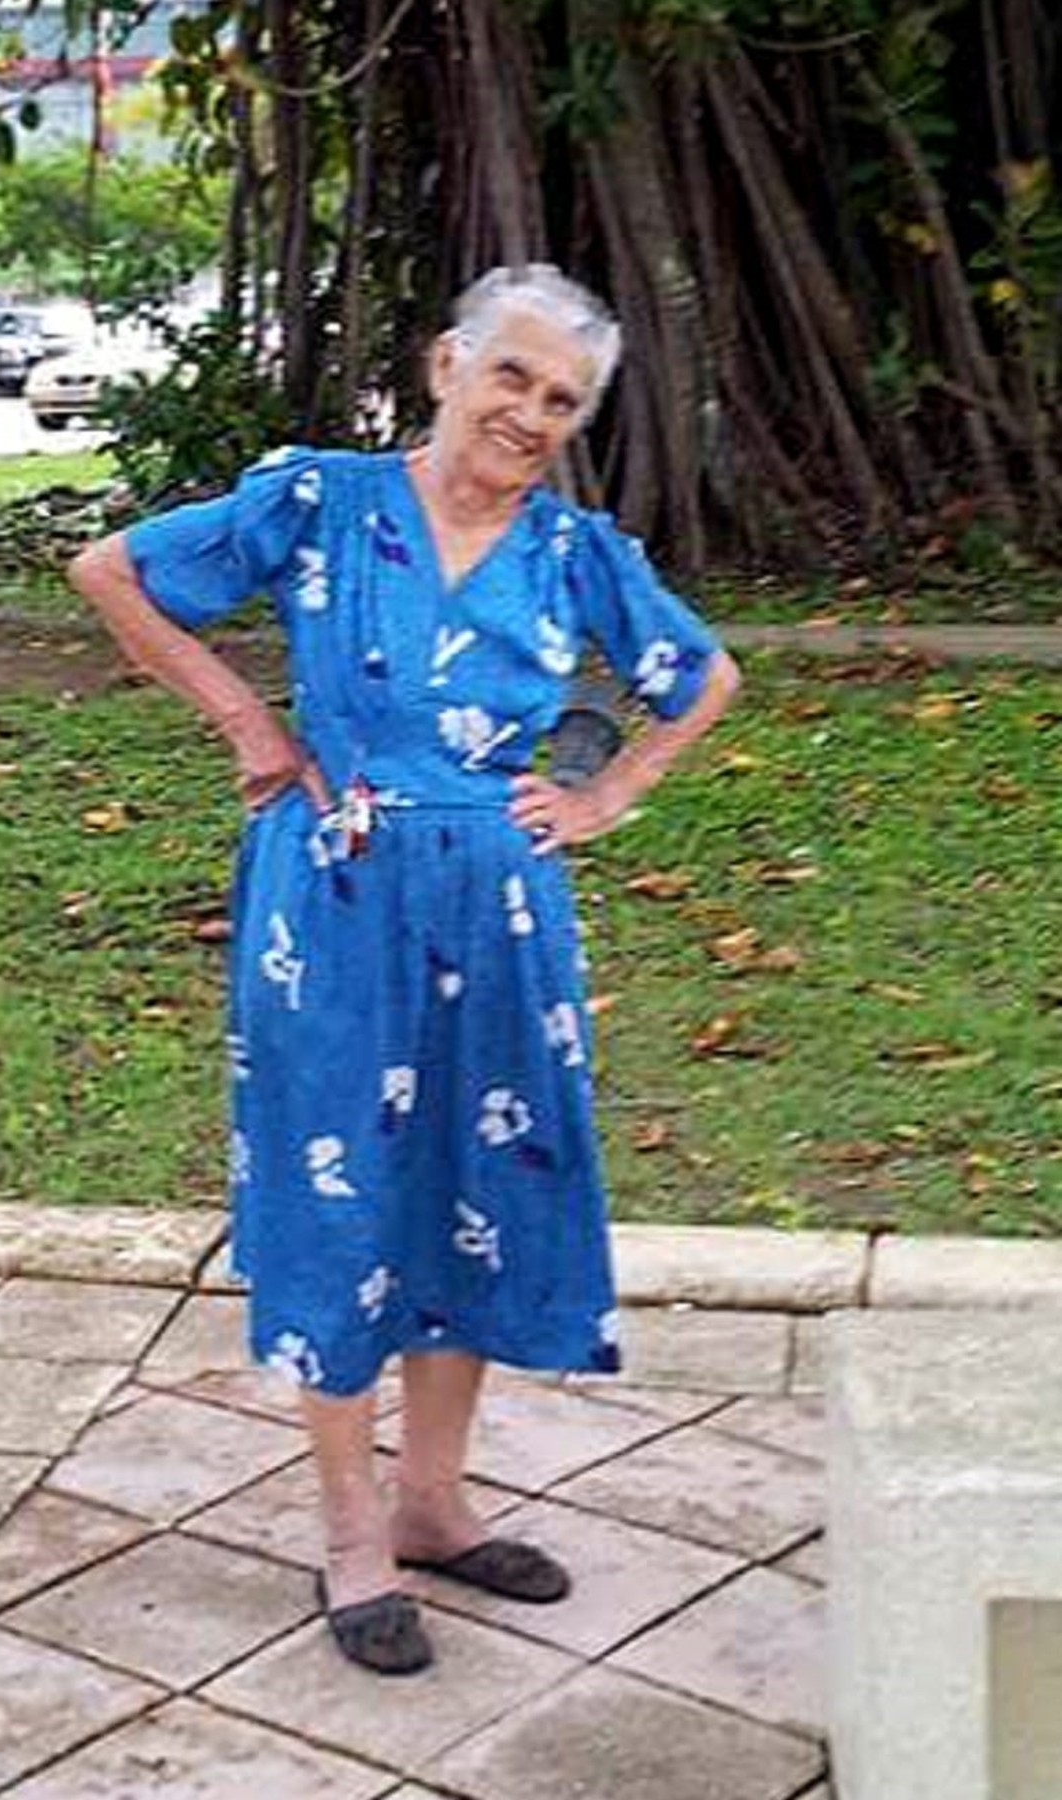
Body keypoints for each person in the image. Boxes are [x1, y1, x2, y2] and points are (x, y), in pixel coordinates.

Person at [69, 264, 741, 1677]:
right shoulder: (320, 499)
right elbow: (111, 571)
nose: (531, 415)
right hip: (333, 905)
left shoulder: (573, 552)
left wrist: (609, 793)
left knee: (469, 1191)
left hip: (499, 913)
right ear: (447, 367)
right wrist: (247, 720)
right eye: (512, 377)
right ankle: (350, 1532)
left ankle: (433, 1503)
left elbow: (700, 679)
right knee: (340, 1195)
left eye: (562, 401)